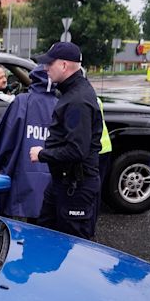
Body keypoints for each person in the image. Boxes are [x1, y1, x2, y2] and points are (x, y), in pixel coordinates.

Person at [30, 42, 103, 239]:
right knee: (46, 235)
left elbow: (77, 150)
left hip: (76, 187)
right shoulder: (71, 92)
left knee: (74, 248)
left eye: (49, 64)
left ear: (63, 65)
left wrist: (42, 154)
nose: (45, 68)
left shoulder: (77, 100)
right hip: (62, 182)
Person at [0, 65, 58, 221]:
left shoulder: (22, 102)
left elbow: (5, 137)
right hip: (51, 180)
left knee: (15, 227)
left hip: (21, 177)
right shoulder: (60, 104)